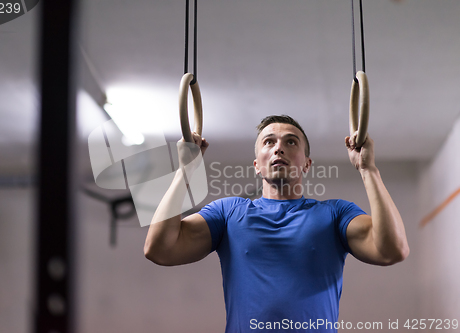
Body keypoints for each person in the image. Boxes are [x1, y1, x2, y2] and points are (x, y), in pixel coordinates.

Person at [144, 115, 409, 332]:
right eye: (268, 142)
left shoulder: (335, 214)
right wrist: (184, 171)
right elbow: (159, 249)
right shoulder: (227, 213)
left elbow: (393, 250)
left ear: (306, 164)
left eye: (291, 142)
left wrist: (368, 170)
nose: (278, 148)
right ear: (257, 165)